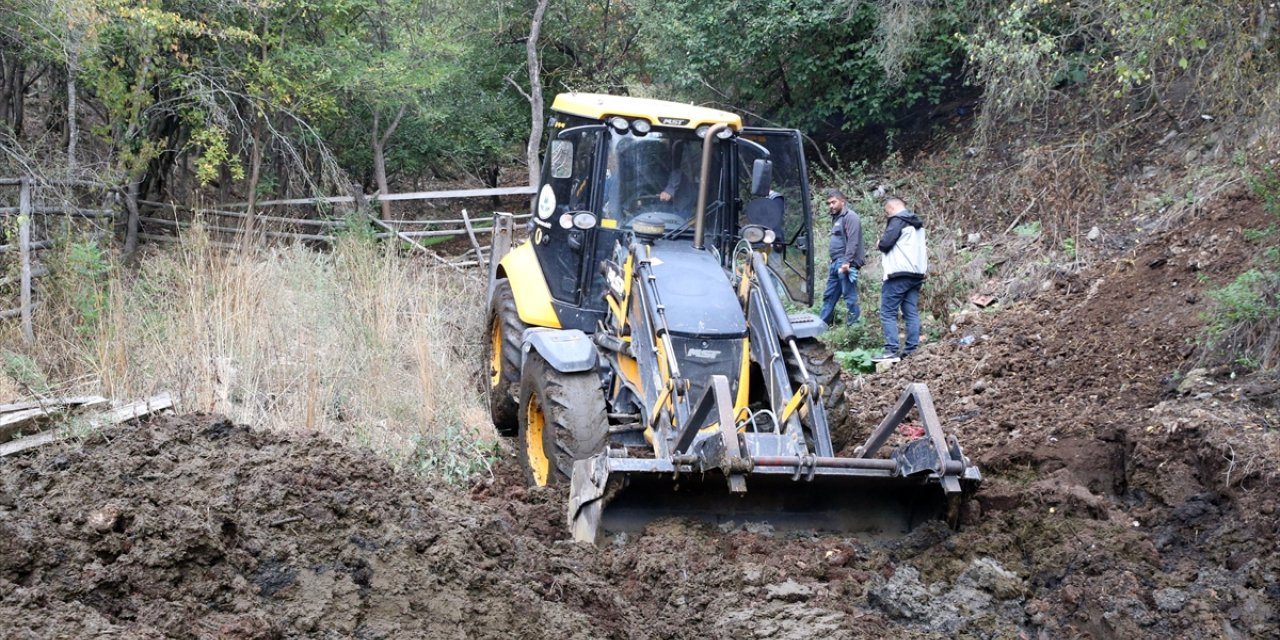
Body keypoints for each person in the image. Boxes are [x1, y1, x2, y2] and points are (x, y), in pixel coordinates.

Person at [872, 197, 927, 362]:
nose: (887, 215)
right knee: (910, 312)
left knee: (887, 312)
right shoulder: (917, 224)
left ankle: (890, 350)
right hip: (916, 273)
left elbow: (886, 244)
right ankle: (911, 350)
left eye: (887, 212)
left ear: (892, 208)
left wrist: (878, 243)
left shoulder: (897, 220)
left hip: (898, 274)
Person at [818, 189, 865, 327]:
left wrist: (847, 262)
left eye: (833, 202)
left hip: (845, 263)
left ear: (842, 201)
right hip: (835, 263)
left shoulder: (851, 217)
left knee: (849, 296)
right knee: (829, 295)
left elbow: (853, 241)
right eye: (829, 203)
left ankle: (854, 328)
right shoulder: (837, 218)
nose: (831, 206)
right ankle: (821, 326)